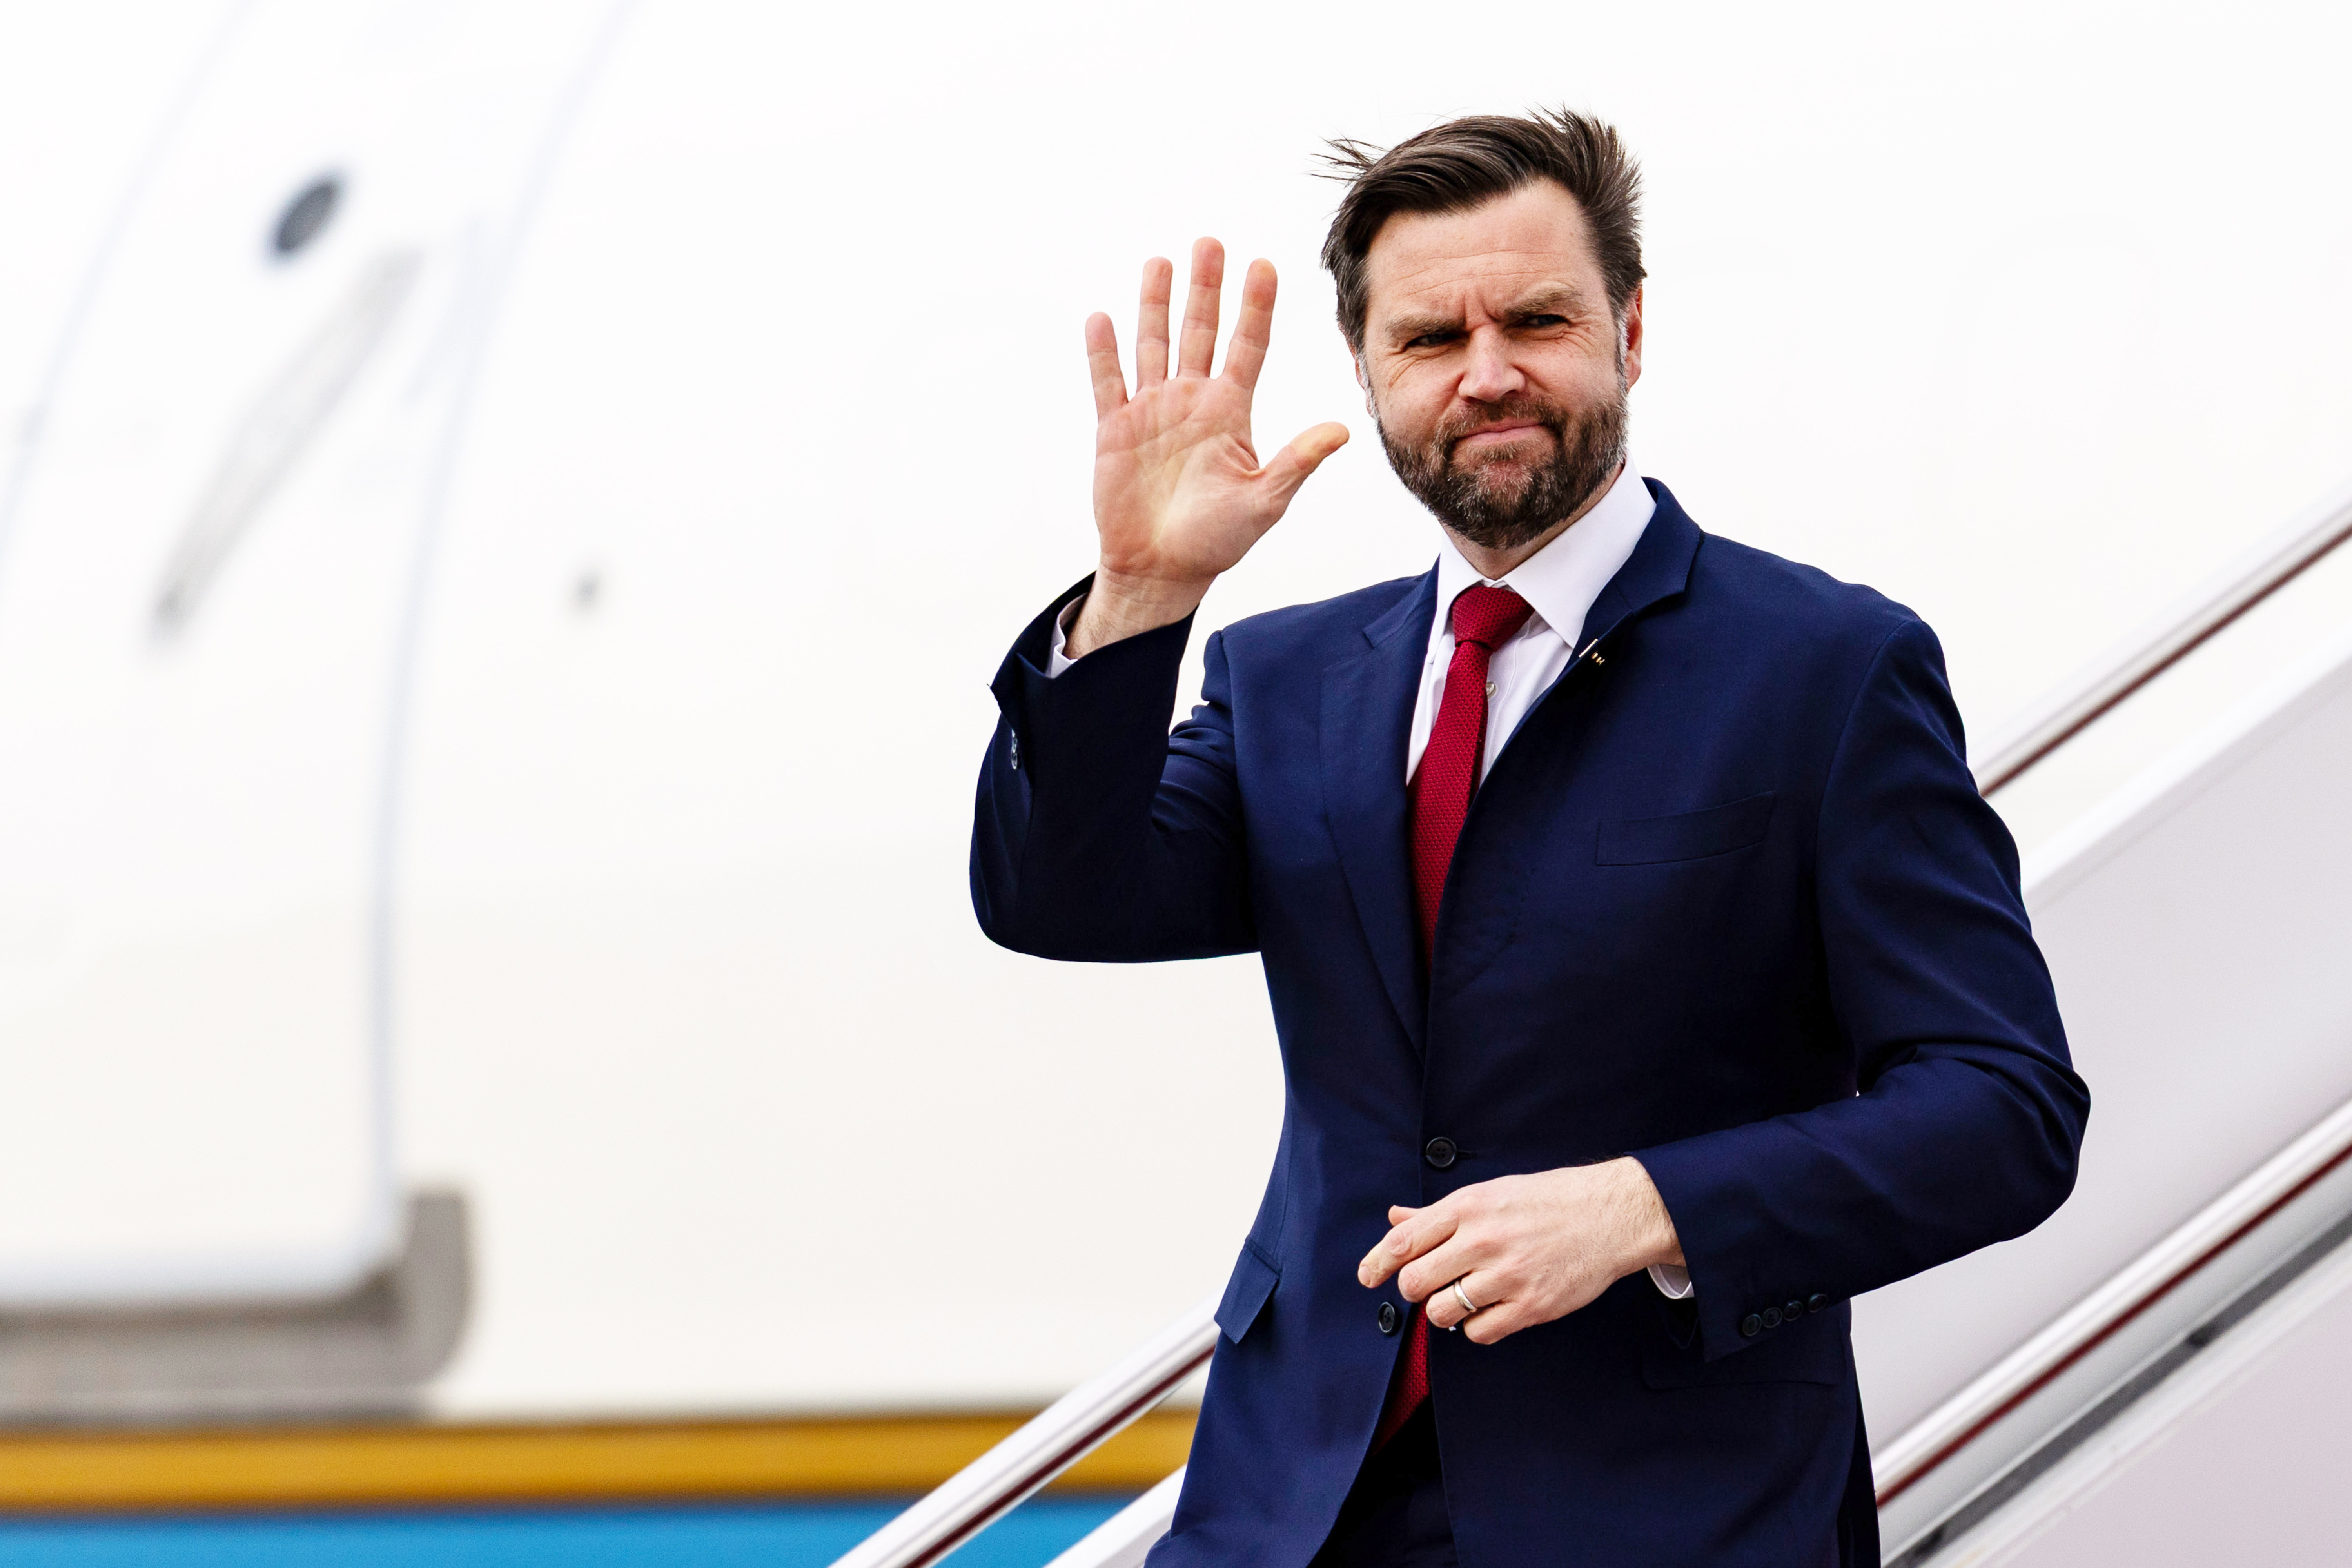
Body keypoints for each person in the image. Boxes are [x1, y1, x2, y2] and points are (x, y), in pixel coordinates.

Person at [969, 109, 2088, 1568]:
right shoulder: (1286, 678)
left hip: (1676, 1519)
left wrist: (1646, 1208)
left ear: (1631, 331)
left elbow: (2004, 1109)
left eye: (1538, 321)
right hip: (1291, 1514)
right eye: (1431, 337)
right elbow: (1060, 899)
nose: (1487, 371)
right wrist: (1140, 598)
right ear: (1368, 373)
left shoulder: (1824, 670)